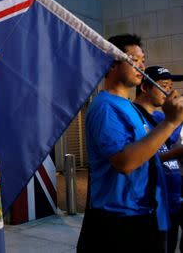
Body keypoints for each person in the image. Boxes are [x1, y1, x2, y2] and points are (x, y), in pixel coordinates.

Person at [77, 34, 183, 253]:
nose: (142, 66)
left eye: (143, 60)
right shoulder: (105, 107)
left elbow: (147, 157)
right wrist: (171, 123)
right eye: (134, 60)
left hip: (143, 213)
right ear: (111, 63)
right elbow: (124, 162)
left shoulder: (129, 107)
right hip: (119, 220)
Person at [133, 65, 183, 253]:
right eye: (163, 85)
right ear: (145, 87)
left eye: (171, 87)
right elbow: (137, 158)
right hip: (151, 207)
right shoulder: (133, 116)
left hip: (174, 199)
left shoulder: (164, 116)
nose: (169, 92)